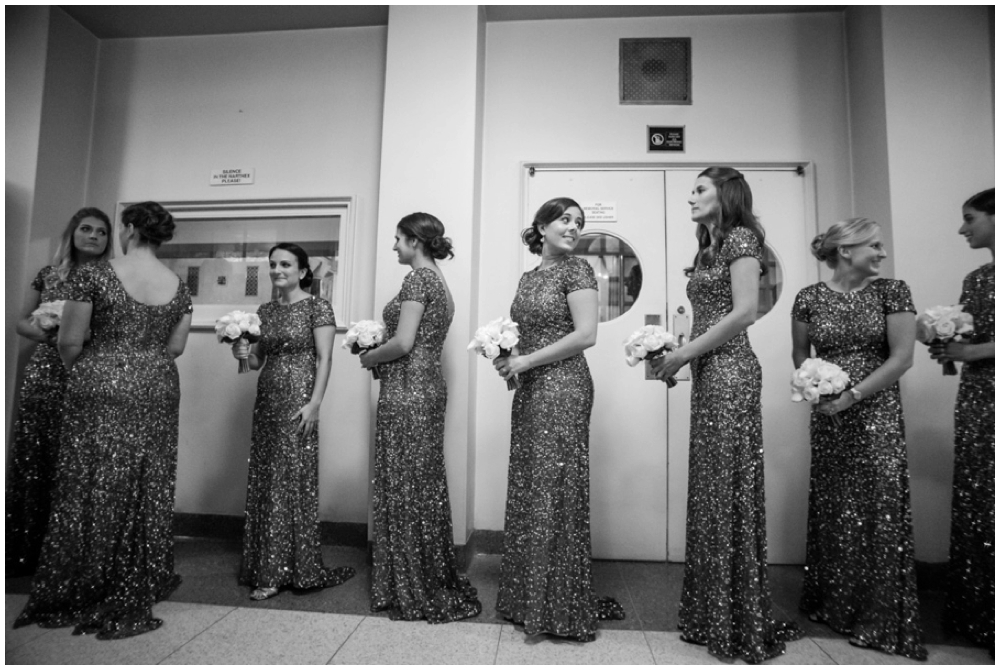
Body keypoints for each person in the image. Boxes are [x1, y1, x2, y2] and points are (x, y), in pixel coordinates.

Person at [14, 201, 192, 639]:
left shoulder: (94, 274)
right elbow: (175, 348)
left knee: (91, 478)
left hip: (100, 379)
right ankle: (138, 572)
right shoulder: (180, 285)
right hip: (158, 383)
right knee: (143, 479)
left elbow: (70, 342)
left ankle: (87, 575)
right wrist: (141, 366)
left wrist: (100, 370)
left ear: (128, 228)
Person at [651, 167, 801, 662]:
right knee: (713, 486)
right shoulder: (708, 248)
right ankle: (711, 608)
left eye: (699, 189)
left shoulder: (740, 239)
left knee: (728, 485)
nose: (689, 196)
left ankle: (735, 611)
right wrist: (675, 355)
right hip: (713, 374)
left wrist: (685, 354)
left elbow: (742, 314)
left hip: (734, 374)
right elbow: (706, 318)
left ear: (725, 194)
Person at [791, 217, 926, 660]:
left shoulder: (893, 290)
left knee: (878, 507)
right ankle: (834, 603)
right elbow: (801, 354)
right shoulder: (808, 298)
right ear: (846, 250)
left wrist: (853, 395)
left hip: (877, 411)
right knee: (835, 504)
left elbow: (902, 358)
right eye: (874, 245)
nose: (882, 253)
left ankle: (880, 612)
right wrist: (811, 383)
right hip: (829, 415)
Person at [494, 197, 623, 642]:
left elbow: (585, 334)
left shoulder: (577, 270)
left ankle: (559, 601)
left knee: (555, 484)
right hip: (530, 388)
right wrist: (509, 362)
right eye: (564, 220)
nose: (573, 227)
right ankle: (527, 597)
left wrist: (526, 361)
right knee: (531, 483)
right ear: (542, 226)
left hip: (565, 386)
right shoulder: (528, 277)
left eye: (579, 223)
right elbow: (520, 337)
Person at [359, 213, 481, 622]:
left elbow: (403, 342)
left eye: (397, 239)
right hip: (427, 386)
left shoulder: (417, 279)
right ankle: (427, 571)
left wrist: (369, 356)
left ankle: (409, 579)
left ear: (415, 241)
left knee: (405, 480)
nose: (394, 246)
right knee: (421, 479)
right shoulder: (439, 282)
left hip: (408, 389)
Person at [232, 242, 355, 600]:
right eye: (272, 264)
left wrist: (315, 403)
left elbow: (325, 358)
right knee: (268, 476)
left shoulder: (317, 306)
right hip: (267, 398)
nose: (277, 270)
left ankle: (287, 568)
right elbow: (254, 362)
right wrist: (240, 352)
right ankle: (265, 564)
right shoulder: (265, 310)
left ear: (302, 271)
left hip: (299, 399)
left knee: (293, 478)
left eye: (285, 264)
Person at [6, 208, 113, 577]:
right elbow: (20, 321)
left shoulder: (110, 278)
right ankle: (27, 546)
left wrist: (78, 335)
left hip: (86, 368)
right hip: (45, 371)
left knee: (79, 452)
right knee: (38, 451)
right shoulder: (49, 275)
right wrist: (51, 331)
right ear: (72, 233)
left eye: (101, 231)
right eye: (86, 229)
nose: (93, 236)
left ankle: (74, 546)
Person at [932, 188, 994, 651]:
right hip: (977, 396)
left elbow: (977, 343)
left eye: (969, 218)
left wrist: (975, 350)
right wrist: (944, 345)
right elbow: (964, 334)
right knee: (978, 492)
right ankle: (979, 613)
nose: (961, 228)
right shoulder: (976, 279)